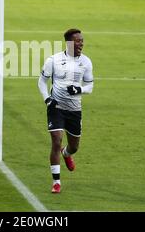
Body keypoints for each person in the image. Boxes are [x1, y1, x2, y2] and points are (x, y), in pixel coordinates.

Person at [38, 28, 94, 193]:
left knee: (74, 146)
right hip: (56, 107)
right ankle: (56, 182)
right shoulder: (53, 60)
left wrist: (79, 90)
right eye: (78, 41)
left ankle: (67, 154)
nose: (81, 44)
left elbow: (90, 86)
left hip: (74, 110)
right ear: (69, 42)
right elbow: (41, 82)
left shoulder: (86, 62)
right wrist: (47, 99)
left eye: (82, 41)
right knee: (56, 140)